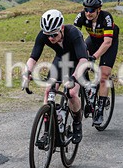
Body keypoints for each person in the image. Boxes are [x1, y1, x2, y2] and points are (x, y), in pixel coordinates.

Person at [22, 9, 90, 144]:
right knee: (48, 91)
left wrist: (74, 78)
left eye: (54, 34)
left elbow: (83, 59)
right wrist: (26, 73)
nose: (51, 38)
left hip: (78, 61)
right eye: (48, 35)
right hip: (61, 60)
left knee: (71, 93)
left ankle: (77, 123)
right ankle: (47, 132)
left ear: (62, 28)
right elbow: (33, 57)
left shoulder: (73, 33)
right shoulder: (44, 35)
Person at [73, 0, 119, 126]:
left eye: (92, 10)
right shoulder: (81, 16)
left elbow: (107, 42)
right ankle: (89, 88)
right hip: (93, 40)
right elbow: (75, 37)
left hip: (108, 43)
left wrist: (94, 57)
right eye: (86, 9)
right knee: (80, 62)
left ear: (98, 9)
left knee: (104, 74)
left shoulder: (106, 17)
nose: (88, 13)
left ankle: (99, 109)